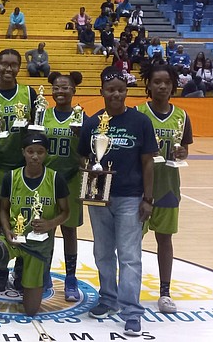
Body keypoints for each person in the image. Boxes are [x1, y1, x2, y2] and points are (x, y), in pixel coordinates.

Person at [78, 66, 157, 337]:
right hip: (100, 200)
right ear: (101, 91)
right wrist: (93, 188)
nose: (115, 94)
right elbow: (83, 160)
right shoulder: (92, 123)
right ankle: (108, 298)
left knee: (130, 256)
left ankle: (131, 311)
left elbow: (148, 162)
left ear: (126, 92)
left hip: (130, 198)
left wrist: (148, 198)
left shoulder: (140, 122)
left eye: (120, 90)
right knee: (102, 253)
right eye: (110, 89)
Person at [0, 133, 70, 329]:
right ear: (23, 153)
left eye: (40, 152)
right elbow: (3, 210)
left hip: (38, 245)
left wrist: (51, 224)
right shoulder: (11, 177)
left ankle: (28, 275)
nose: (35, 156)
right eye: (30, 152)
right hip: (13, 239)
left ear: (46, 154)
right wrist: (7, 230)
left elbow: (66, 212)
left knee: (31, 310)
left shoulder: (55, 179)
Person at [136, 63, 192, 314]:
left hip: (169, 187)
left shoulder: (181, 116)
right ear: (148, 84)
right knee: (132, 243)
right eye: (157, 81)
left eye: (167, 82)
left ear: (173, 85)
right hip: (139, 189)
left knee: (165, 240)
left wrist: (182, 152)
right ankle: (130, 290)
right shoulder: (137, 113)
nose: (162, 86)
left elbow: (185, 148)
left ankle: (165, 292)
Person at [0, 48, 38, 245]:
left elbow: (36, 130)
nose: (8, 68)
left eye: (14, 65)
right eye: (4, 64)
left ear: (19, 67)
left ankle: (21, 263)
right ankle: (0, 263)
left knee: (22, 216)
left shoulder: (29, 93)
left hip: (22, 166)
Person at [43, 72, 85, 301]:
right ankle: (44, 275)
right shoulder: (43, 115)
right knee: (46, 229)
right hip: (47, 181)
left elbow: (88, 151)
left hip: (71, 179)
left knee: (69, 230)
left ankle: (70, 278)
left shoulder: (80, 116)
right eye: (57, 87)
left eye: (65, 87)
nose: (60, 91)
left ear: (73, 90)